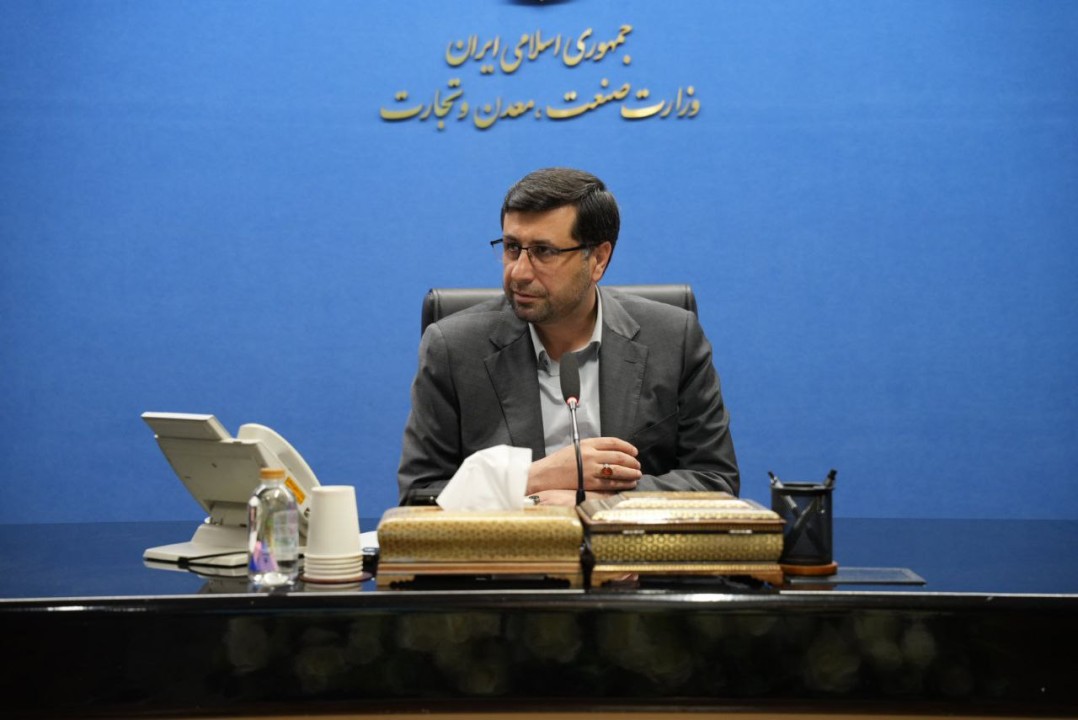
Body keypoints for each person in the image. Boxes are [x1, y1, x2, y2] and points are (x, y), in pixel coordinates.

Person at [397, 167, 738, 506]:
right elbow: (419, 495)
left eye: (544, 251)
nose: (519, 272)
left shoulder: (673, 339)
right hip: (512, 543)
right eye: (512, 247)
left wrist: (594, 504)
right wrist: (536, 477)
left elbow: (716, 481)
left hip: (630, 542)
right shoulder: (454, 349)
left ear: (598, 259)